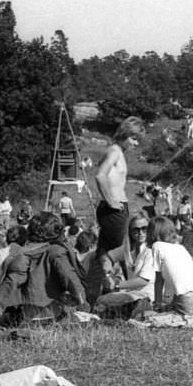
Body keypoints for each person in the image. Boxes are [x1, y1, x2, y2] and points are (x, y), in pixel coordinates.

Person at [0, 212, 86, 325]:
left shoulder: (20, 252)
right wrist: (82, 303)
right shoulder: (56, 251)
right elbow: (69, 278)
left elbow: (10, 284)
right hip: (48, 314)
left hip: (21, 314)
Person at [85, 117, 145, 302]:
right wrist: (111, 201)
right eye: (134, 139)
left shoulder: (116, 151)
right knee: (123, 252)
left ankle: (93, 293)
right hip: (114, 209)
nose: (135, 143)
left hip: (113, 209)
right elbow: (100, 175)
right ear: (125, 134)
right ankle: (131, 293)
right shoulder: (115, 151)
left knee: (104, 253)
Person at [146, 216, 193, 318]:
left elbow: (159, 281)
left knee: (146, 315)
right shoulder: (180, 248)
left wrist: (157, 305)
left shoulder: (157, 246)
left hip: (185, 303)